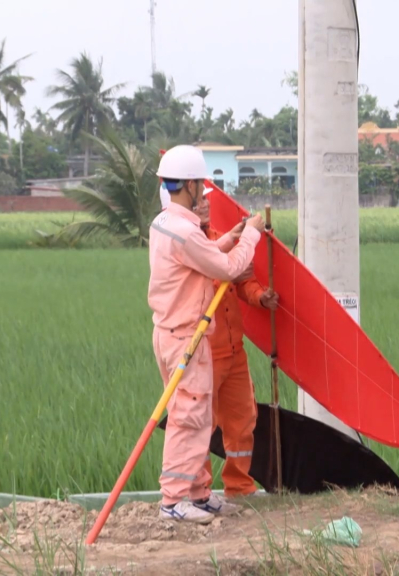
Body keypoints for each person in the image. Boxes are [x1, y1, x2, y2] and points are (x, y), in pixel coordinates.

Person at [148, 144, 265, 524]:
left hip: (171, 334)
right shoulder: (184, 230)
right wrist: (250, 236)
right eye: (202, 184)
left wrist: (229, 236)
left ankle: (199, 495)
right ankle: (173, 501)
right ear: (192, 185)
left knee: (196, 416)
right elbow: (228, 269)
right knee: (189, 418)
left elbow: (203, 254)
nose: (203, 192)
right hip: (187, 338)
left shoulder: (164, 223)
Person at [191, 189, 279, 501]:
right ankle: (197, 491)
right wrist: (230, 270)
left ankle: (239, 487)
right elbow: (215, 279)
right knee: (200, 423)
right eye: (197, 201)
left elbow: (243, 280)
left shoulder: (220, 238)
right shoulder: (190, 246)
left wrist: (260, 296)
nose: (204, 206)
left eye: (205, 201)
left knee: (243, 420)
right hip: (204, 353)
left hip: (233, 350)